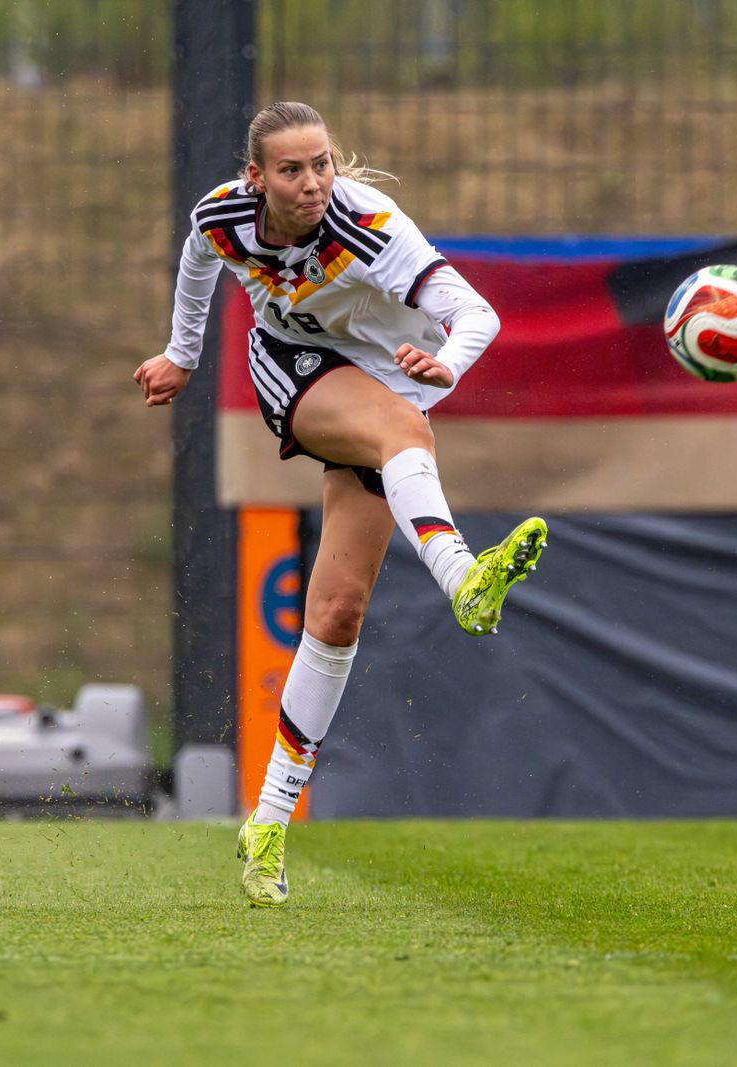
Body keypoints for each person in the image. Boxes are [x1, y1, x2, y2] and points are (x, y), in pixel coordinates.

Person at [135, 101, 547, 908]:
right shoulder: (226, 215)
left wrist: (449, 364)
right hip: (294, 365)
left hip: (388, 382)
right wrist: (182, 354)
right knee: (402, 431)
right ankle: (464, 579)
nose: (312, 182)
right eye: (291, 170)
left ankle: (266, 823)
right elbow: (198, 254)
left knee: (337, 612)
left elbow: (477, 314)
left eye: (321, 164)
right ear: (256, 178)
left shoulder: (371, 226)